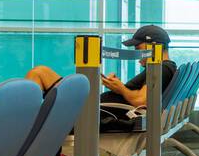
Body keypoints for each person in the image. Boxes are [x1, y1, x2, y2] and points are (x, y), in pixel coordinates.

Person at [25, 24, 176, 108]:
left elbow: (142, 101)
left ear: (154, 46)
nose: (137, 54)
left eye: (138, 48)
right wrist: (118, 86)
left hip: (90, 113)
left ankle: (28, 125)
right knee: (40, 72)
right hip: (93, 107)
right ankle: (30, 120)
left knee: (39, 73)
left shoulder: (162, 68)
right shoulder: (163, 68)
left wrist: (120, 89)